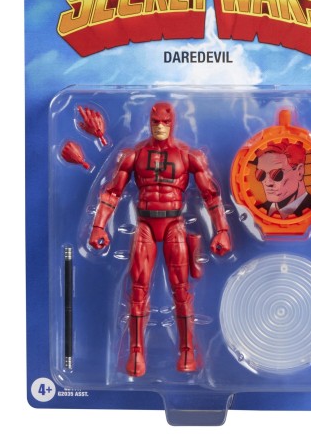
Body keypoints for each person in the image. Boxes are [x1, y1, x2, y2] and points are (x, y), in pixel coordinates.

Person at [89, 102, 231, 376]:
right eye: (156, 122)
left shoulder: (188, 155)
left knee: (181, 289)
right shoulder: (134, 155)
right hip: (145, 224)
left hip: (174, 224)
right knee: (138, 289)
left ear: (173, 122)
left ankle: (188, 351)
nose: (160, 127)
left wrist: (222, 230)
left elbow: (211, 195)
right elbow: (112, 193)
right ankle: (135, 352)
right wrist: (98, 226)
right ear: (150, 122)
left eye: (165, 122)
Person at [254, 139, 311, 219]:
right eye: (261, 175)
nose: (268, 183)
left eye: (276, 174)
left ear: (299, 172)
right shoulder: (256, 211)